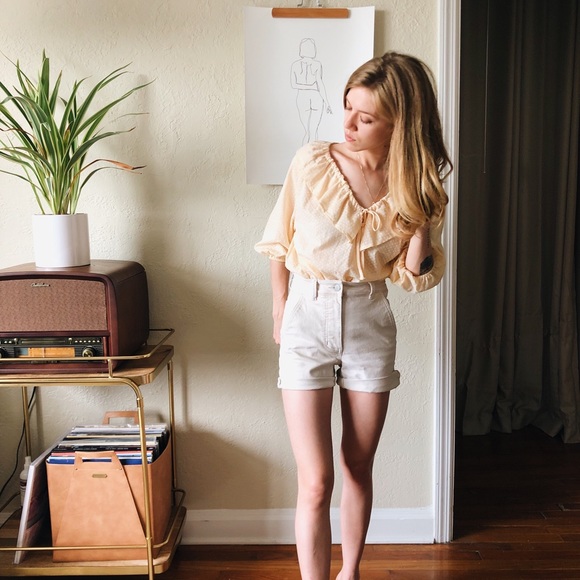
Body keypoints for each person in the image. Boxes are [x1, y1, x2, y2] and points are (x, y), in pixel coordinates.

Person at [255, 51, 452, 580]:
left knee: (357, 465)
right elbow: (278, 245)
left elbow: (412, 277)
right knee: (316, 479)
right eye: (347, 108)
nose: (347, 124)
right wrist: (280, 313)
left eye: (365, 118)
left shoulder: (415, 185)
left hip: (369, 319)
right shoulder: (312, 162)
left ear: (399, 125)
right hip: (306, 315)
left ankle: (351, 573)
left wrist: (421, 219)